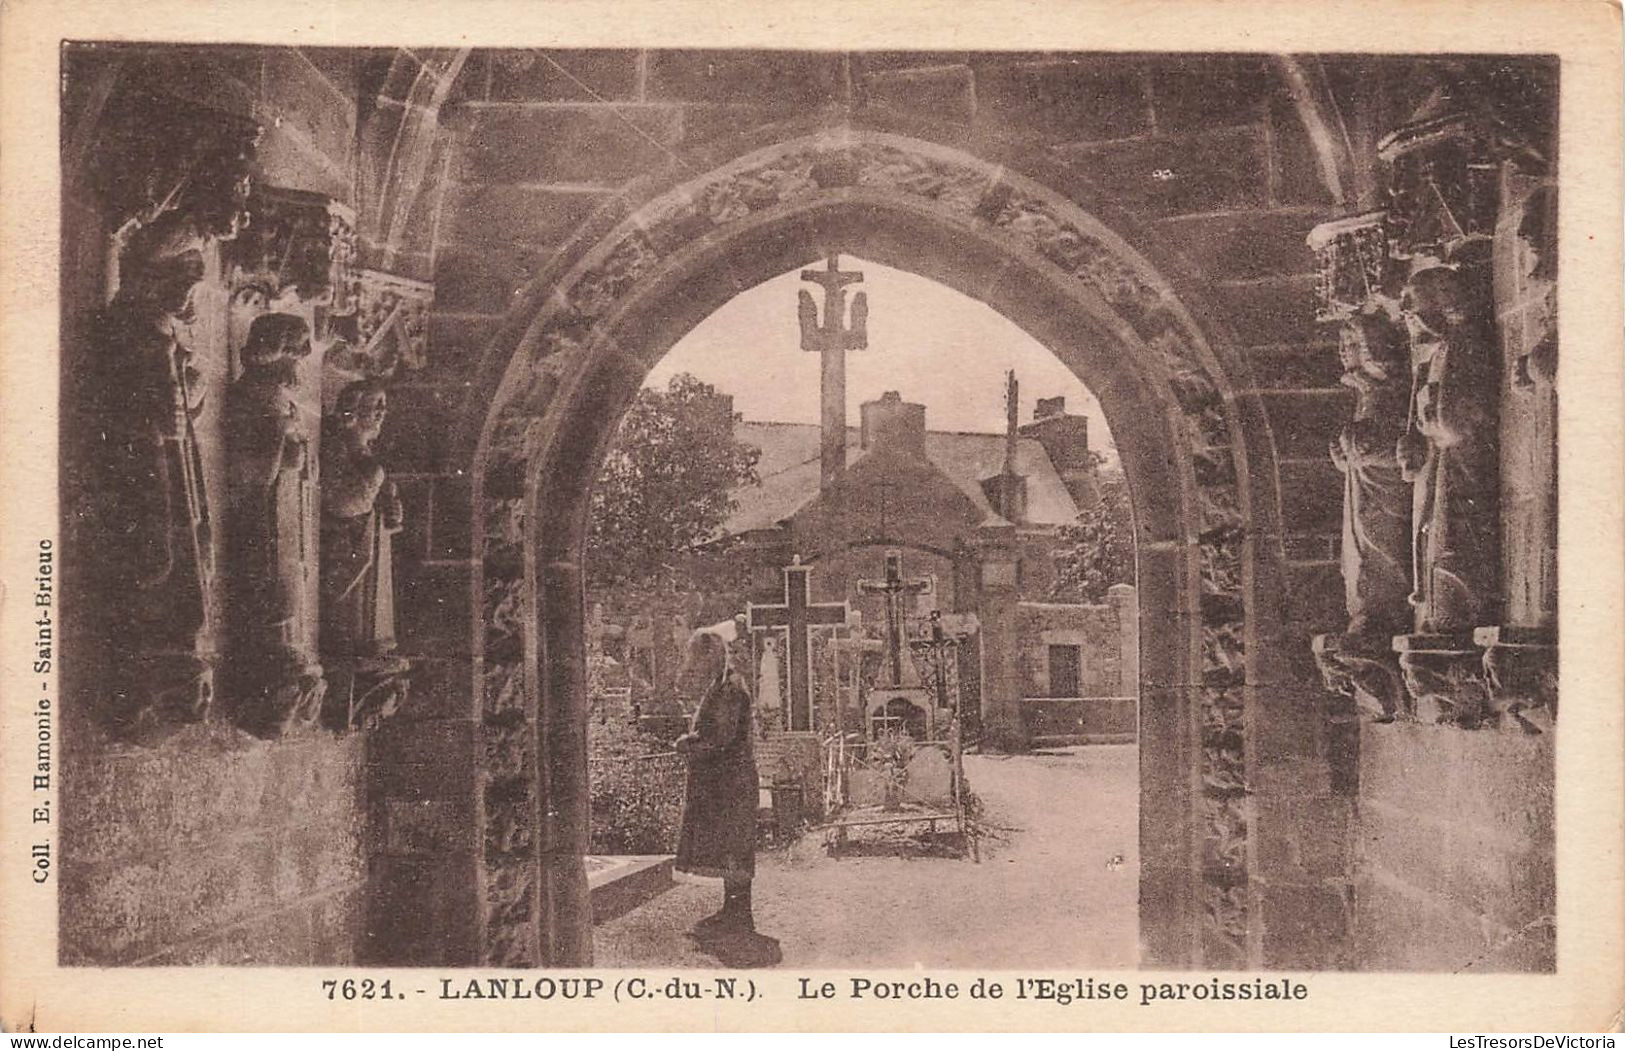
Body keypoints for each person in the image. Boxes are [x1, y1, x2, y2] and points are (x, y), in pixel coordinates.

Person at [672, 628, 759, 932]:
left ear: (712, 653)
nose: (694, 664)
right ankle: (732, 910)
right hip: (725, 779)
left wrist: (688, 742)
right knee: (728, 845)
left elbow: (721, 736)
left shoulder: (730, 687)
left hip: (731, 780)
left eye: (697, 656)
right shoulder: (721, 684)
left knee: (734, 845)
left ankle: (739, 916)